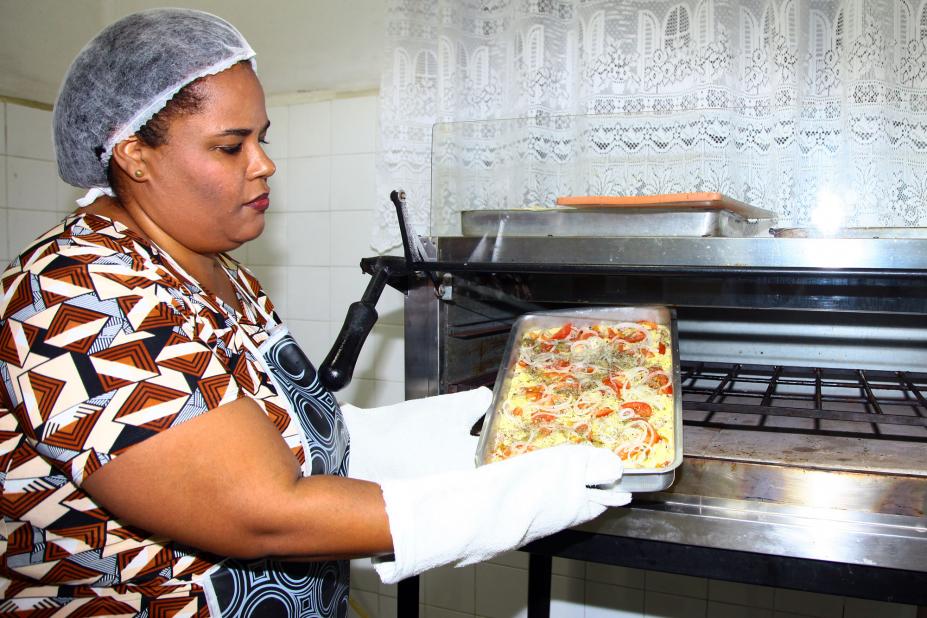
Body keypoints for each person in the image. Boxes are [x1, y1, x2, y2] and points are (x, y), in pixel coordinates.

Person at [0, 8, 631, 617]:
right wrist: (513, 499)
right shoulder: (75, 295)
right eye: (229, 146)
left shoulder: (216, 272)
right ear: (134, 155)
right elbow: (264, 513)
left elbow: (283, 441)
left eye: (262, 138)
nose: (264, 163)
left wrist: (474, 425)